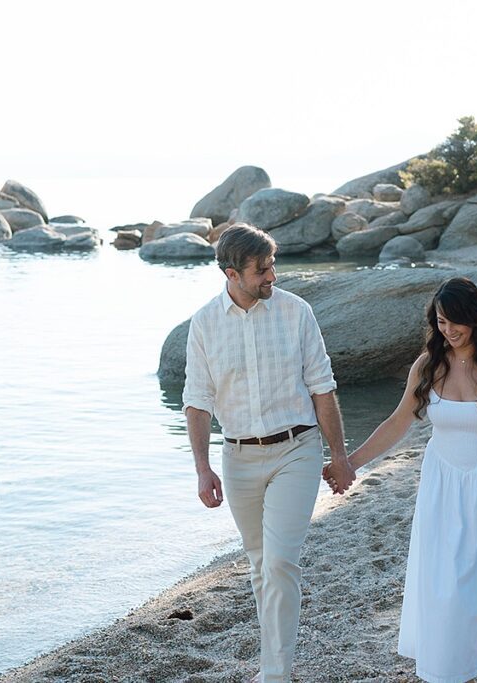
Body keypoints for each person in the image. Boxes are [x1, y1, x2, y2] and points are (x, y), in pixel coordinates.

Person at [324, 276, 477, 683]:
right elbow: (398, 421)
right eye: (441, 322)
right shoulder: (428, 366)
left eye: (456, 321)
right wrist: (350, 463)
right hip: (442, 485)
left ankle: (465, 659)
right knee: (444, 579)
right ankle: (445, 668)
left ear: (475, 318)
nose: (449, 331)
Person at [183, 223, 355, 683]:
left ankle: (275, 674)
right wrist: (202, 469)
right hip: (238, 458)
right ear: (231, 273)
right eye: (262, 270)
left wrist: (339, 455)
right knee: (261, 566)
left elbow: (322, 388)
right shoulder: (204, 324)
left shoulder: (297, 313)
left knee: (280, 561)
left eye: (273, 265)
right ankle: (272, 662)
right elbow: (197, 402)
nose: (272, 277)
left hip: (296, 449)